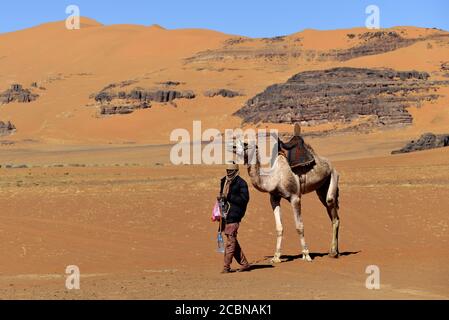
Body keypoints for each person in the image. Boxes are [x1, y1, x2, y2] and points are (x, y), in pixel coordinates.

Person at [218, 163, 251, 274]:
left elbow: (244, 199)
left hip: (235, 214)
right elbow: (222, 195)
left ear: (236, 171)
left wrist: (229, 197)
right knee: (231, 240)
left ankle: (226, 267)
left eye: (231, 171)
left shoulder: (241, 183)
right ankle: (244, 263)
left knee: (230, 242)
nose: (228, 172)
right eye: (227, 170)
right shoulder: (224, 181)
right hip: (225, 215)